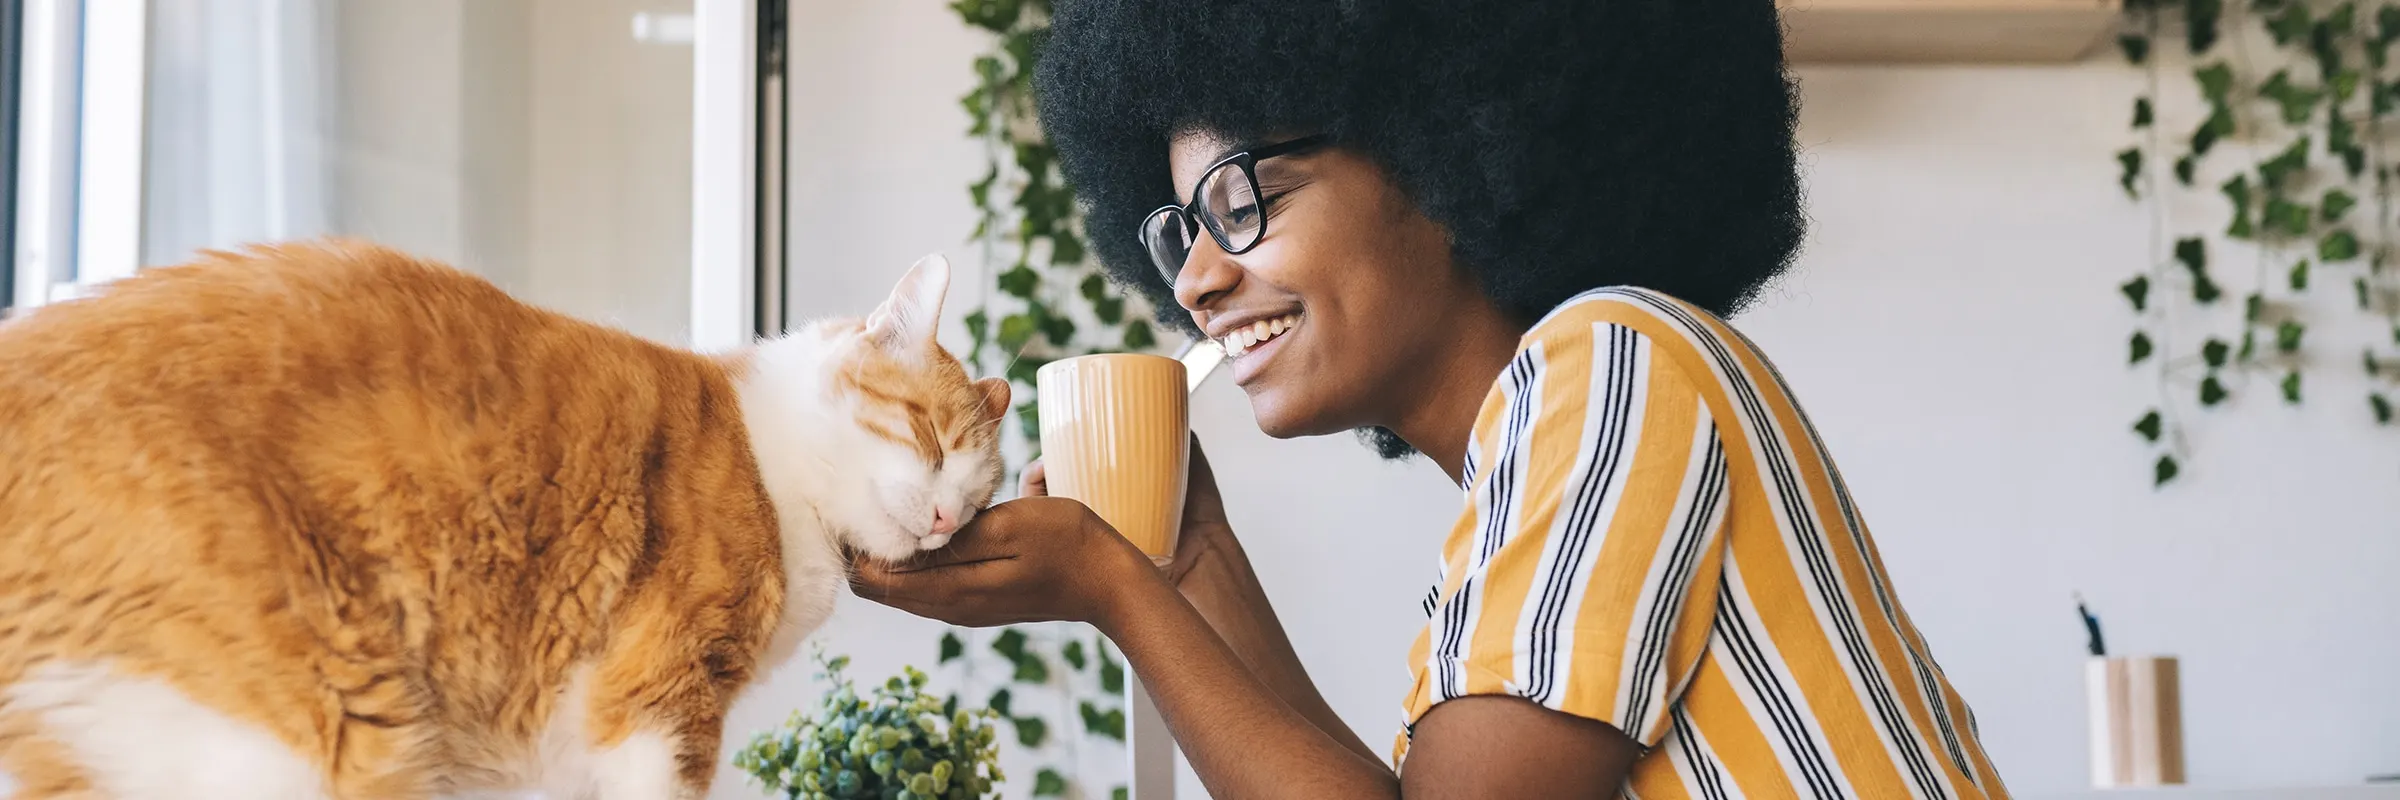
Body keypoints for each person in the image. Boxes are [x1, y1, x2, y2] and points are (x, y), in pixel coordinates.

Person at [853, 0, 2012, 796]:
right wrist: (1187, 558)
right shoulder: (1537, 457)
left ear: (1452, 157)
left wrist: (1113, 590)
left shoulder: (1615, 364)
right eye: (1181, 230)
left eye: (1245, 197)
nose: (1199, 278)